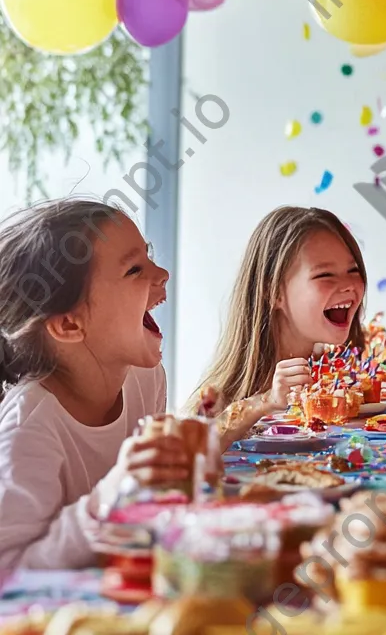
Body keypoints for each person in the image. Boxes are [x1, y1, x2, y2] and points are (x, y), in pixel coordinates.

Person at [0, 200, 189, 573]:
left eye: (149, 257)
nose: (163, 272)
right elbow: (8, 574)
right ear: (69, 325)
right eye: (135, 269)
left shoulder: (146, 378)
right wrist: (108, 497)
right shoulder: (29, 428)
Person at [190, 207, 367, 443]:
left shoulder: (337, 374)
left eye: (353, 270)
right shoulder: (220, 399)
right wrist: (266, 401)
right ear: (273, 292)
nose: (349, 285)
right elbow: (193, 451)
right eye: (325, 275)